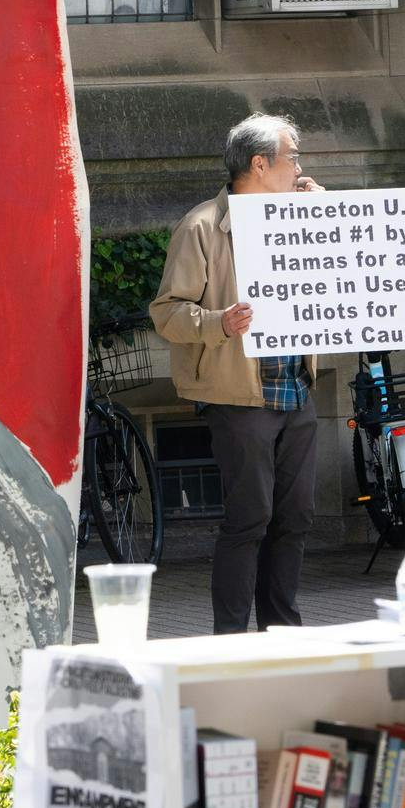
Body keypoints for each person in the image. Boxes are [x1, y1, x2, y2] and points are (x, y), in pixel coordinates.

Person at [150, 113, 322, 635]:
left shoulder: (299, 215)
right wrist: (219, 322)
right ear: (259, 164)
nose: (299, 168)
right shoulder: (202, 227)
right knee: (249, 520)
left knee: (294, 520)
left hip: (296, 390)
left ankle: (281, 630)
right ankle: (230, 637)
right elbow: (167, 312)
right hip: (238, 395)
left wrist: (327, 215)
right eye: (292, 157)